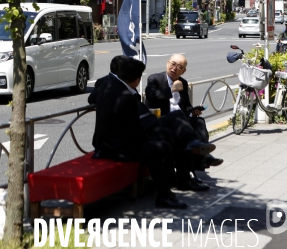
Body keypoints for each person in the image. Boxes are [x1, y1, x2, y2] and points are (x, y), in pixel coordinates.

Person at [89, 57, 216, 206]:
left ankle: (191, 150)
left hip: (136, 128)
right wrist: (154, 137)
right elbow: (134, 132)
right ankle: (165, 194)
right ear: (137, 79)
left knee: (177, 118)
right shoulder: (121, 93)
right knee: (164, 145)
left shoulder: (118, 86)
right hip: (116, 145)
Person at [145, 53, 223, 171]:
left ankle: (200, 151)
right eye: (173, 64)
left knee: (199, 121)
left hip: (181, 120)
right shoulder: (154, 79)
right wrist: (171, 90)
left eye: (179, 67)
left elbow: (186, 106)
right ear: (167, 63)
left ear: (183, 71)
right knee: (178, 117)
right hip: (164, 119)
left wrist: (193, 110)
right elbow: (151, 97)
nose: (174, 68)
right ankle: (203, 157)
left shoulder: (183, 83)